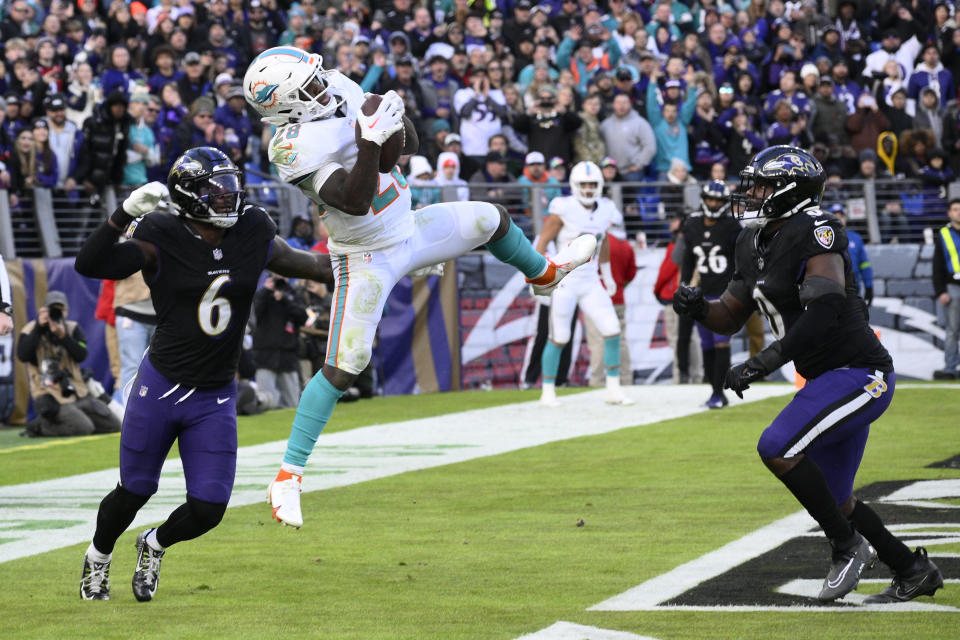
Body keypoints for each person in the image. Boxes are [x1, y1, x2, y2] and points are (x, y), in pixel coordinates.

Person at [244, 47, 597, 529]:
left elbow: (402, 147)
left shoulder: (339, 87)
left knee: (491, 218)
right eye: (308, 86)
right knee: (346, 365)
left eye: (317, 75)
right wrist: (369, 142)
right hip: (364, 255)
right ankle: (288, 475)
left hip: (407, 227)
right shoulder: (290, 146)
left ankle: (544, 276)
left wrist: (393, 117)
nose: (322, 84)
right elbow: (354, 199)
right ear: (284, 106)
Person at [673, 145, 944, 605]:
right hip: (826, 379)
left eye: (761, 185)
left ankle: (846, 546)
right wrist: (699, 307)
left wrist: (763, 361)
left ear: (789, 191)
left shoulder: (816, 230)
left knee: (776, 447)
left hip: (860, 373)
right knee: (836, 500)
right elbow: (729, 316)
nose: (751, 193)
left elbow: (825, 310)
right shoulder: (751, 240)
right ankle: (912, 569)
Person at [72, 147, 335, 602]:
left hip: (213, 393)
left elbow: (313, 266)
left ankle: (154, 544)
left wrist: (385, 265)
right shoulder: (159, 233)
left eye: (231, 186)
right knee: (135, 489)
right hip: (161, 386)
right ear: (189, 195)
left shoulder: (252, 230)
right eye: (217, 189)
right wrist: (121, 215)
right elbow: (91, 265)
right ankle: (97, 555)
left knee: (209, 507)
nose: (229, 197)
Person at [534, 161, 633, 407]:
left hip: (590, 280)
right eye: (584, 184)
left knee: (611, 329)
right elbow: (543, 240)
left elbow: (603, 241)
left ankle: (612, 388)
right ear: (574, 185)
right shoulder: (563, 208)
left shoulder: (606, 208)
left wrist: (607, 274)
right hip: (564, 280)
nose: (588, 189)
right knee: (560, 336)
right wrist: (536, 277)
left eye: (592, 184)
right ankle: (547, 390)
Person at [16, 290, 121, 437]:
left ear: (66, 312)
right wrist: (39, 327)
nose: (56, 313)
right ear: (44, 310)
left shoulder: (72, 328)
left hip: (77, 391)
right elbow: (23, 355)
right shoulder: (31, 329)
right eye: (53, 310)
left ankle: (72, 419)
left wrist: (63, 336)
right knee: (84, 428)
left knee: (114, 425)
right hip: (50, 394)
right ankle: (39, 426)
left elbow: (81, 355)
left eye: (60, 310)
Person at [679, 181, 742, 408]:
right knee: (706, 344)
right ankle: (714, 391)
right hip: (702, 295)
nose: (714, 204)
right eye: (710, 199)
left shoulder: (732, 227)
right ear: (704, 199)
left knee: (721, 343)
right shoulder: (693, 223)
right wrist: (685, 286)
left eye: (718, 200)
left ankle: (720, 394)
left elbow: (740, 260)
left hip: (725, 294)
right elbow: (688, 259)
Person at [252, 274, 307, 409]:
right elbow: (254, 313)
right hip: (265, 355)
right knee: (266, 402)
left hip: (287, 355)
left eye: (285, 276)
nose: (282, 279)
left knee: (292, 403)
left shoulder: (293, 294)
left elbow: (302, 317)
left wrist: (285, 299)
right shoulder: (262, 294)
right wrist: (266, 290)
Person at [933, 198, 960, 380]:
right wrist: (941, 290)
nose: (959, 212)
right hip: (952, 287)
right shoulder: (943, 234)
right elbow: (938, 265)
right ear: (949, 213)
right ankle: (950, 368)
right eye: (955, 209)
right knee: (952, 330)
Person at [828, 204, 873, 307]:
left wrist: (869, 286)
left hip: (854, 289)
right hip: (832, 289)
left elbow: (864, 264)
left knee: (856, 320)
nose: (838, 219)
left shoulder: (856, 238)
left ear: (845, 218)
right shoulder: (824, 238)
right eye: (834, 216)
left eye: (841, 216)